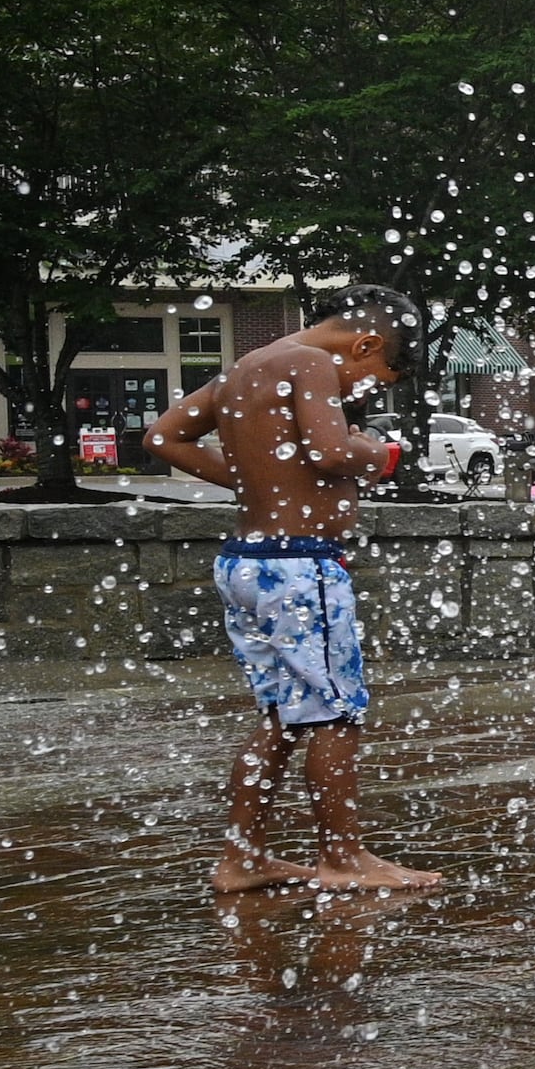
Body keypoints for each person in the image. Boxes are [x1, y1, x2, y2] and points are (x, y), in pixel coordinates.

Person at [140, 285, 445, 895]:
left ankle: (242, 857)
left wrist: (259, 478)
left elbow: (161, 438)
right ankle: (343, 857)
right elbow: (332, 453)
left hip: (247, 563)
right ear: (365, 344)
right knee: (337, 711)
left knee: (283, 714)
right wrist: (378, 454)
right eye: (375, 380)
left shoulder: (246, 368)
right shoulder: (310, 363)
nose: (365, 393)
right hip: (300, 569)